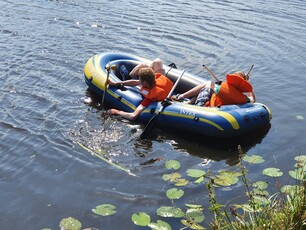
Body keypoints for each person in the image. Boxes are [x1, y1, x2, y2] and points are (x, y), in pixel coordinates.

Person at [107, 67, 173, 120]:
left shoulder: (149, 97)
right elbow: (134, 82)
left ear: (145, 82)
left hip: (154, 100)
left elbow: (132, 116)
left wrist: (117, 112)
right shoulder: (156, 80)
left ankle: (115, 111)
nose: (139, 81)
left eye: (140, 80)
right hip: (166, 95)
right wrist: (116, 83)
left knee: (133, 116)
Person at [172, 71, 255, 107]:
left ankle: (181, 96)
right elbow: (253, 100)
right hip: (218, 107)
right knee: (207, 89)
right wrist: (248, 86)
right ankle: (187, 103)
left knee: (209, 83)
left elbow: (214, 88)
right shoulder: (243, 98)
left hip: (204, 106)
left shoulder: (224, 88)